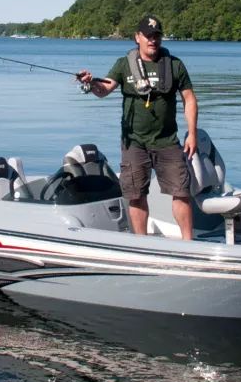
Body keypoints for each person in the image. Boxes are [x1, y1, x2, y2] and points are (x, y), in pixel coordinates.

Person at [77, 15, 198, 239]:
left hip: (168, 142)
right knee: (136, 194)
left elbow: (189, 98)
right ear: (137, 37)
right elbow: (105, 89)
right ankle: (142, 243)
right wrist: (91, 82)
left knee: (181, 192)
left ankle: (188, 243)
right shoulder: (124, 64)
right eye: (148, 36)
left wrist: (192, 134)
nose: (153, 40)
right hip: (134, 143)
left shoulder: (174, 65)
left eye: (157, 36)